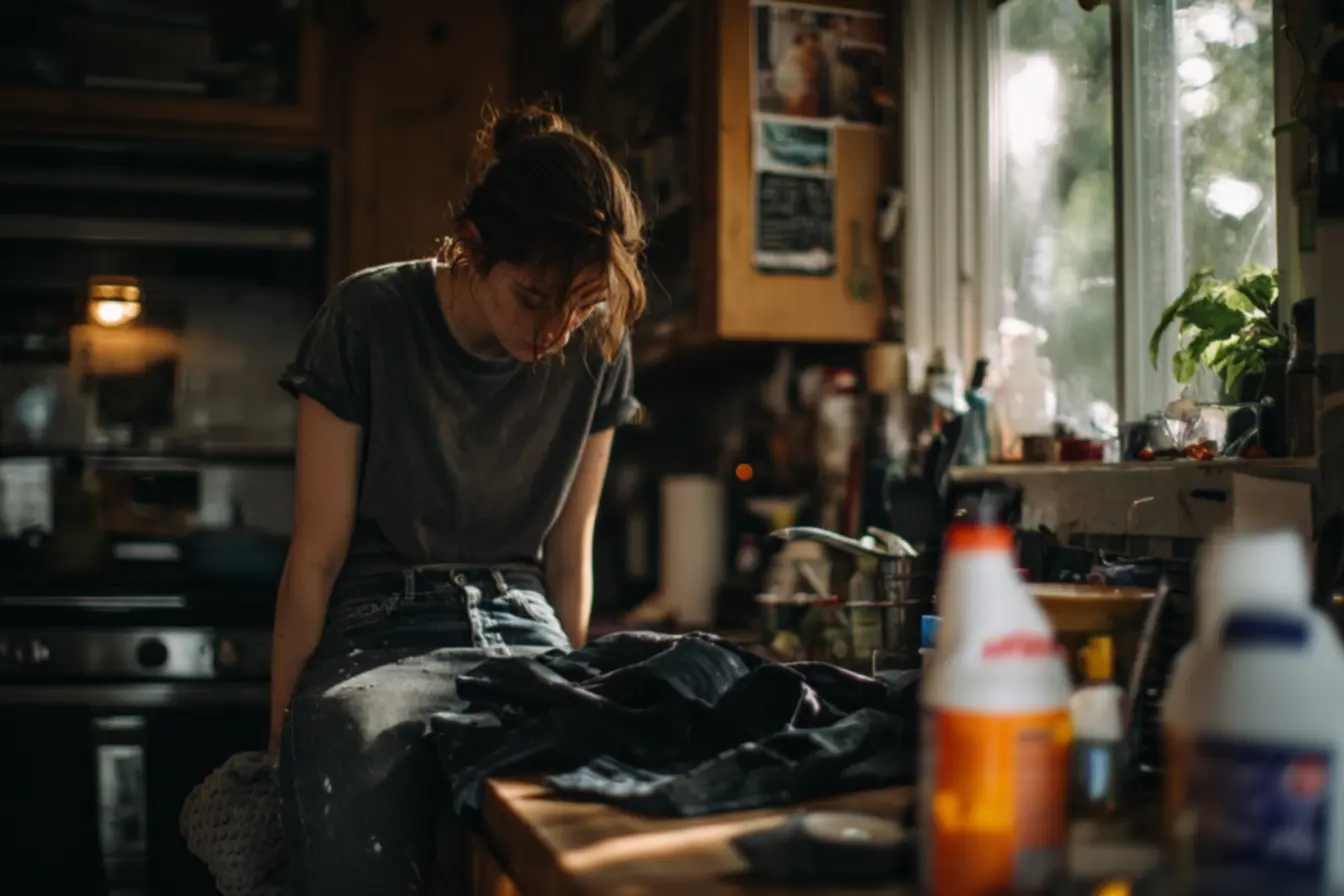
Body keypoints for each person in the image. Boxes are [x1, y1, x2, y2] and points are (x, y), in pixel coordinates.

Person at [269, 104, 646, 895]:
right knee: (339, 746)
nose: (554, 332)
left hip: (522, 616)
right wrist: (278, 750)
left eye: (578, 306)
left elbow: (569, 552)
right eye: (533, 296)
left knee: (593, 801)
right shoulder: (367, 315)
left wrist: (569, 683)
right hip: (380, 622)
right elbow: (316, 555)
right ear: (472, 247)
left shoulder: (597, 344)